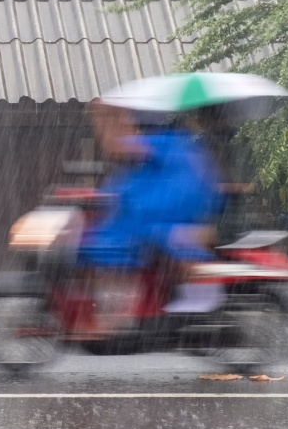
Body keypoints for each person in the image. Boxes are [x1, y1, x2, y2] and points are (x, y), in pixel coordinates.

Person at [76, 98, 226, 335]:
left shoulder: (168, 143)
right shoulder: (179, 147)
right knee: (99, 239)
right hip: (151, 215)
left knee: (112, 243)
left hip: (164, 217)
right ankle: (113, 309)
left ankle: (118, 312)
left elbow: (117, 146)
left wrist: (104, 116)